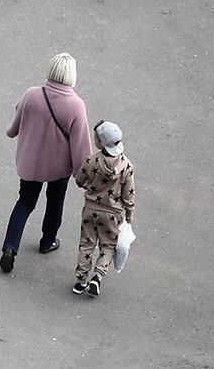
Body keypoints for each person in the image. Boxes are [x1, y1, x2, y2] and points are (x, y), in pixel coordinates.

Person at [0, 53, 93, 273]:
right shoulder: (76, 105)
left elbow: (17, 118)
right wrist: (83, 173)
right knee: (55, 200)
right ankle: (47, 241)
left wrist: (12, 131)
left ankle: (9, 248)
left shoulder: (32, 94)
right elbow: (81, 142)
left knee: (24, 203)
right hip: (58, 167)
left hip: (31, 162)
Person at [72, 120, 135, 297]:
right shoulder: (126, 166)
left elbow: (79, 180)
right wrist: (129, 213)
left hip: (90, 209)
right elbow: (128, 195)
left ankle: (81, 281)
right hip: (113, 213)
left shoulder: (92, 160)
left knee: (87, 243)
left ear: (101, 143)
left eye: (96, 138)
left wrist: (88, 186)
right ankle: (97, 277)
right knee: (108, 245)